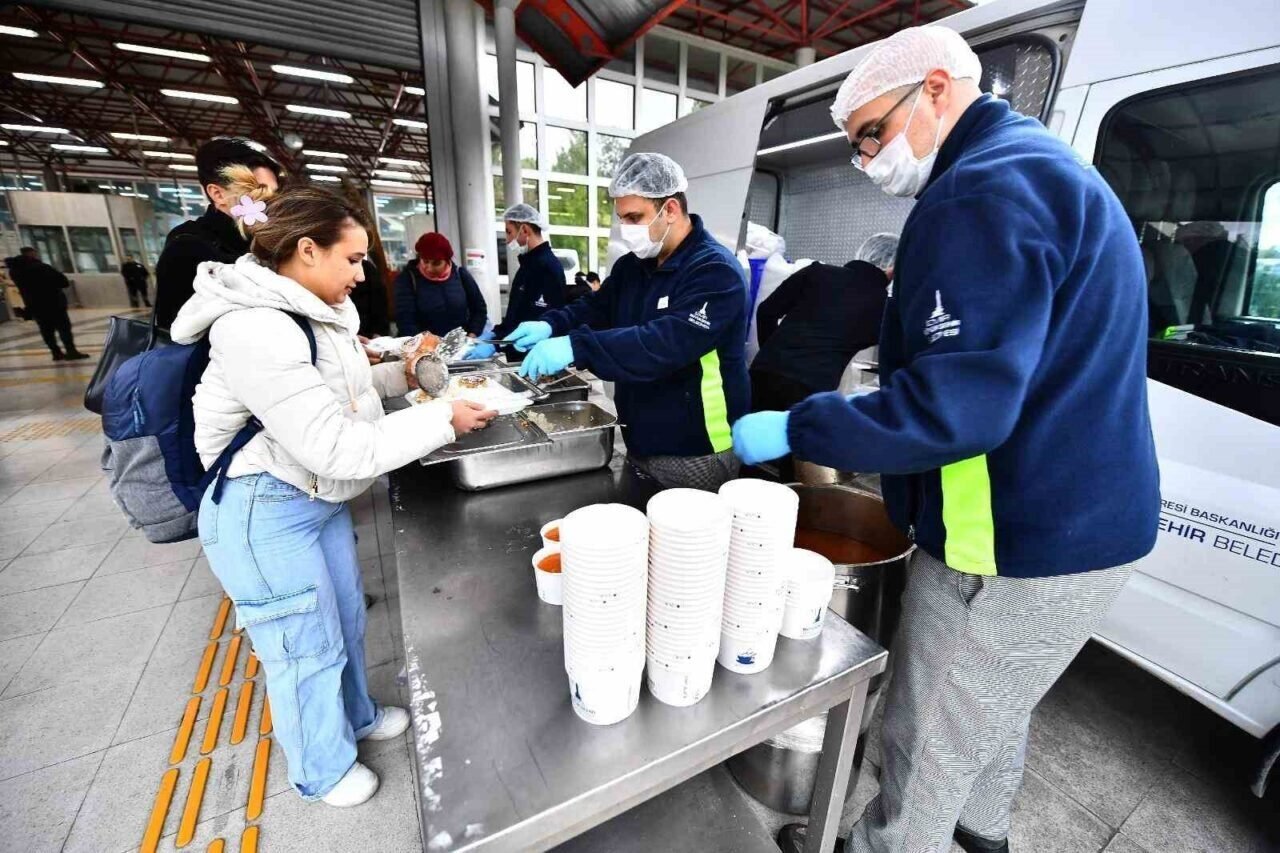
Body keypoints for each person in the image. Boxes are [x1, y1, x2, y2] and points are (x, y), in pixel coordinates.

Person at [731, 27, 1160, 853]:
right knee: (991, 708)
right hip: (1085, 524)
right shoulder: (1045, 168)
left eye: (869, 134)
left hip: (1013, 542)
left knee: (924, 736)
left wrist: (801, 423)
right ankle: (981, 835)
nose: (866, 162)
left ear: (935, 88)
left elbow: (953, 408)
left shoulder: (977, 194)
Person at [170, 174, 496, 807]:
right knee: (301, 645)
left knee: (344, 619)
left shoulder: (314, 313)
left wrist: (405, 372)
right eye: (352, 258)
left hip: (313, 497)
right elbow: (333, 443)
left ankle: (357, 716)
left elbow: (344, 392)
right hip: (261, 505)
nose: (361, 273)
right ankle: (320, 769)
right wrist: (441, 419)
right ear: (306, 250)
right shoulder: (256, 328)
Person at [511, 153, 750, 491]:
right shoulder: (633, 266)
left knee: (687, 542)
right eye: (622, 218)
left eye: (635, 217)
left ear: (670, 209)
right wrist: (551, 325)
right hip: (639, 437)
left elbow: (662, 344)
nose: (627, 229)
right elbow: (596, 308)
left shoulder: (714, 271)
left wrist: (576, 346)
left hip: (697, 448)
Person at [749, 232, 896, 412]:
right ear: (892, 268)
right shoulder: (884, 307)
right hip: (810, 391)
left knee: (749, 435)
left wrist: (774, 354)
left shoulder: (817, 272)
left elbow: (766, 311)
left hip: (763, 374)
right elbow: (893, 352)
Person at [153, 137, 282, 329]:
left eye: (275, 193)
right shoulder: (187, 247)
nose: (271, 202)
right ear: (217, 194)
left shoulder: (269, 240)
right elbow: (171, 327)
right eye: (258, 190)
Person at [492, 204, 566, 357]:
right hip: (518, 353)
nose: (507, 240)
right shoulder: (528, 265)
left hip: (534, 355)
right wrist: (494, 336)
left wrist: (498, 344)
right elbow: (516, 314)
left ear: (525, 230)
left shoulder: (547, 267)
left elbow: (538, 318)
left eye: (509, 232)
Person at [392, 231, 487, 339]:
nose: (429, 267)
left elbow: (479, 309)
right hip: (423, 348)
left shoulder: (461, 275)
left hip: (459, 346)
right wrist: (424, 345)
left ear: (447, 260)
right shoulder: (407, 279)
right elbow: (405, 320)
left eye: (436, 263)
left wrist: (472, 334)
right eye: (425, 261)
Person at [4, 247, 88, 361]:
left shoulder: (14, 271)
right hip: (54, 302)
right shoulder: (41, 267)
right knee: (63, 328)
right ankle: (71, 351)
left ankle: (56, 353)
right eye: (34, 253)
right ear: (30, 254)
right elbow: (63, 281)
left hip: (34, 305)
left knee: (46, 330)